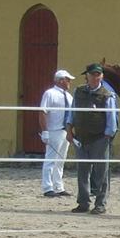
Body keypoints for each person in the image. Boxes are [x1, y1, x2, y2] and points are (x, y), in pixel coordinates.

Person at [66, 63, 118, 215]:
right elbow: (72, 112)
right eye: (93, 74)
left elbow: (111, 118)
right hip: (80, 137)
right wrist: (69, 129)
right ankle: (83, 202)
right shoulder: (78, 92)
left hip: (100, 138)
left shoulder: (107, 95)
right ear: (86, 76)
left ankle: (100, 203)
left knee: (101, 172)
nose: (95, 77)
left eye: (98, 74)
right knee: (82, 171)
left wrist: (107, 136)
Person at [39, 69, 74, 198]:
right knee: (51, 159)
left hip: (65, 131)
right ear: (61, 80)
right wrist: (45, 131)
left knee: (61, 160)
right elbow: (43, 112)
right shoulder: (50, 94)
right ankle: (47, 187)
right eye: (67, 79)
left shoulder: (69, 96)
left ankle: (58, 186)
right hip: (54, 130)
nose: (69, 82)